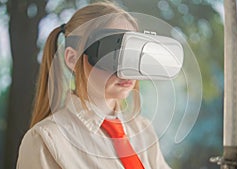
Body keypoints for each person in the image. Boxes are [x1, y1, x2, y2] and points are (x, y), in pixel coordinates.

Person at [16, 1, 171, 169]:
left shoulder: (143, 131)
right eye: (113, 54)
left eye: (131, 54)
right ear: (72, 59)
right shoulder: (45, 140)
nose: (126, 70)